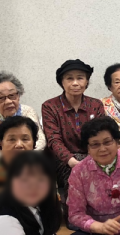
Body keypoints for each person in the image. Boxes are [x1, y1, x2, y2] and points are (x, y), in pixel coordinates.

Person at [65, 118, 120, 235]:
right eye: (95, 144)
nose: (102, 149)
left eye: (107, 142)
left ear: (117, 142)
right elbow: (75, 214)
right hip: (97, 230)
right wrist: (101, 227)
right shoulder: (79, 172)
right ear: (88, 148)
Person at [41, 59, 105, 190]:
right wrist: (71, 161)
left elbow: (101, 135)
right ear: (62, 82)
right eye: (69, 78)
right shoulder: (50, 106)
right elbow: (54, 139)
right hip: (63, 159)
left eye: (80, 78)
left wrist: (92, 159)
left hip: (93, 156)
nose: (75, 83)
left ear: (86, 81)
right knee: (76, 177)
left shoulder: (96, 104)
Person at [0, 72, 45, 169]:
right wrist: (8, 157)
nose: (8, 101)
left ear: (18, 96)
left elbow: (41, 141)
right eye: (1, 97)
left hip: (26, 157)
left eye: (12, 95)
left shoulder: (28, 112)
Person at [0, 116, 39, 217]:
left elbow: (53, 212)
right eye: (12, 139)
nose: (19, 145)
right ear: (1, 143)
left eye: (25, 139)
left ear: (33, 143)